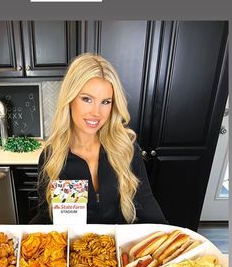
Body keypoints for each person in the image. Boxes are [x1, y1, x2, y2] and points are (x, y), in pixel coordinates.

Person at [30, 53, 167, 225]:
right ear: (70, 99)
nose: (96, 112)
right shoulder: (53, 156)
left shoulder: (126, 148)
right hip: (76, 249)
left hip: (121, 249)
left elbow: (147, 204)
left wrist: (167, 237)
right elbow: (47, 219)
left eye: (106, 102)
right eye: (87, 99)